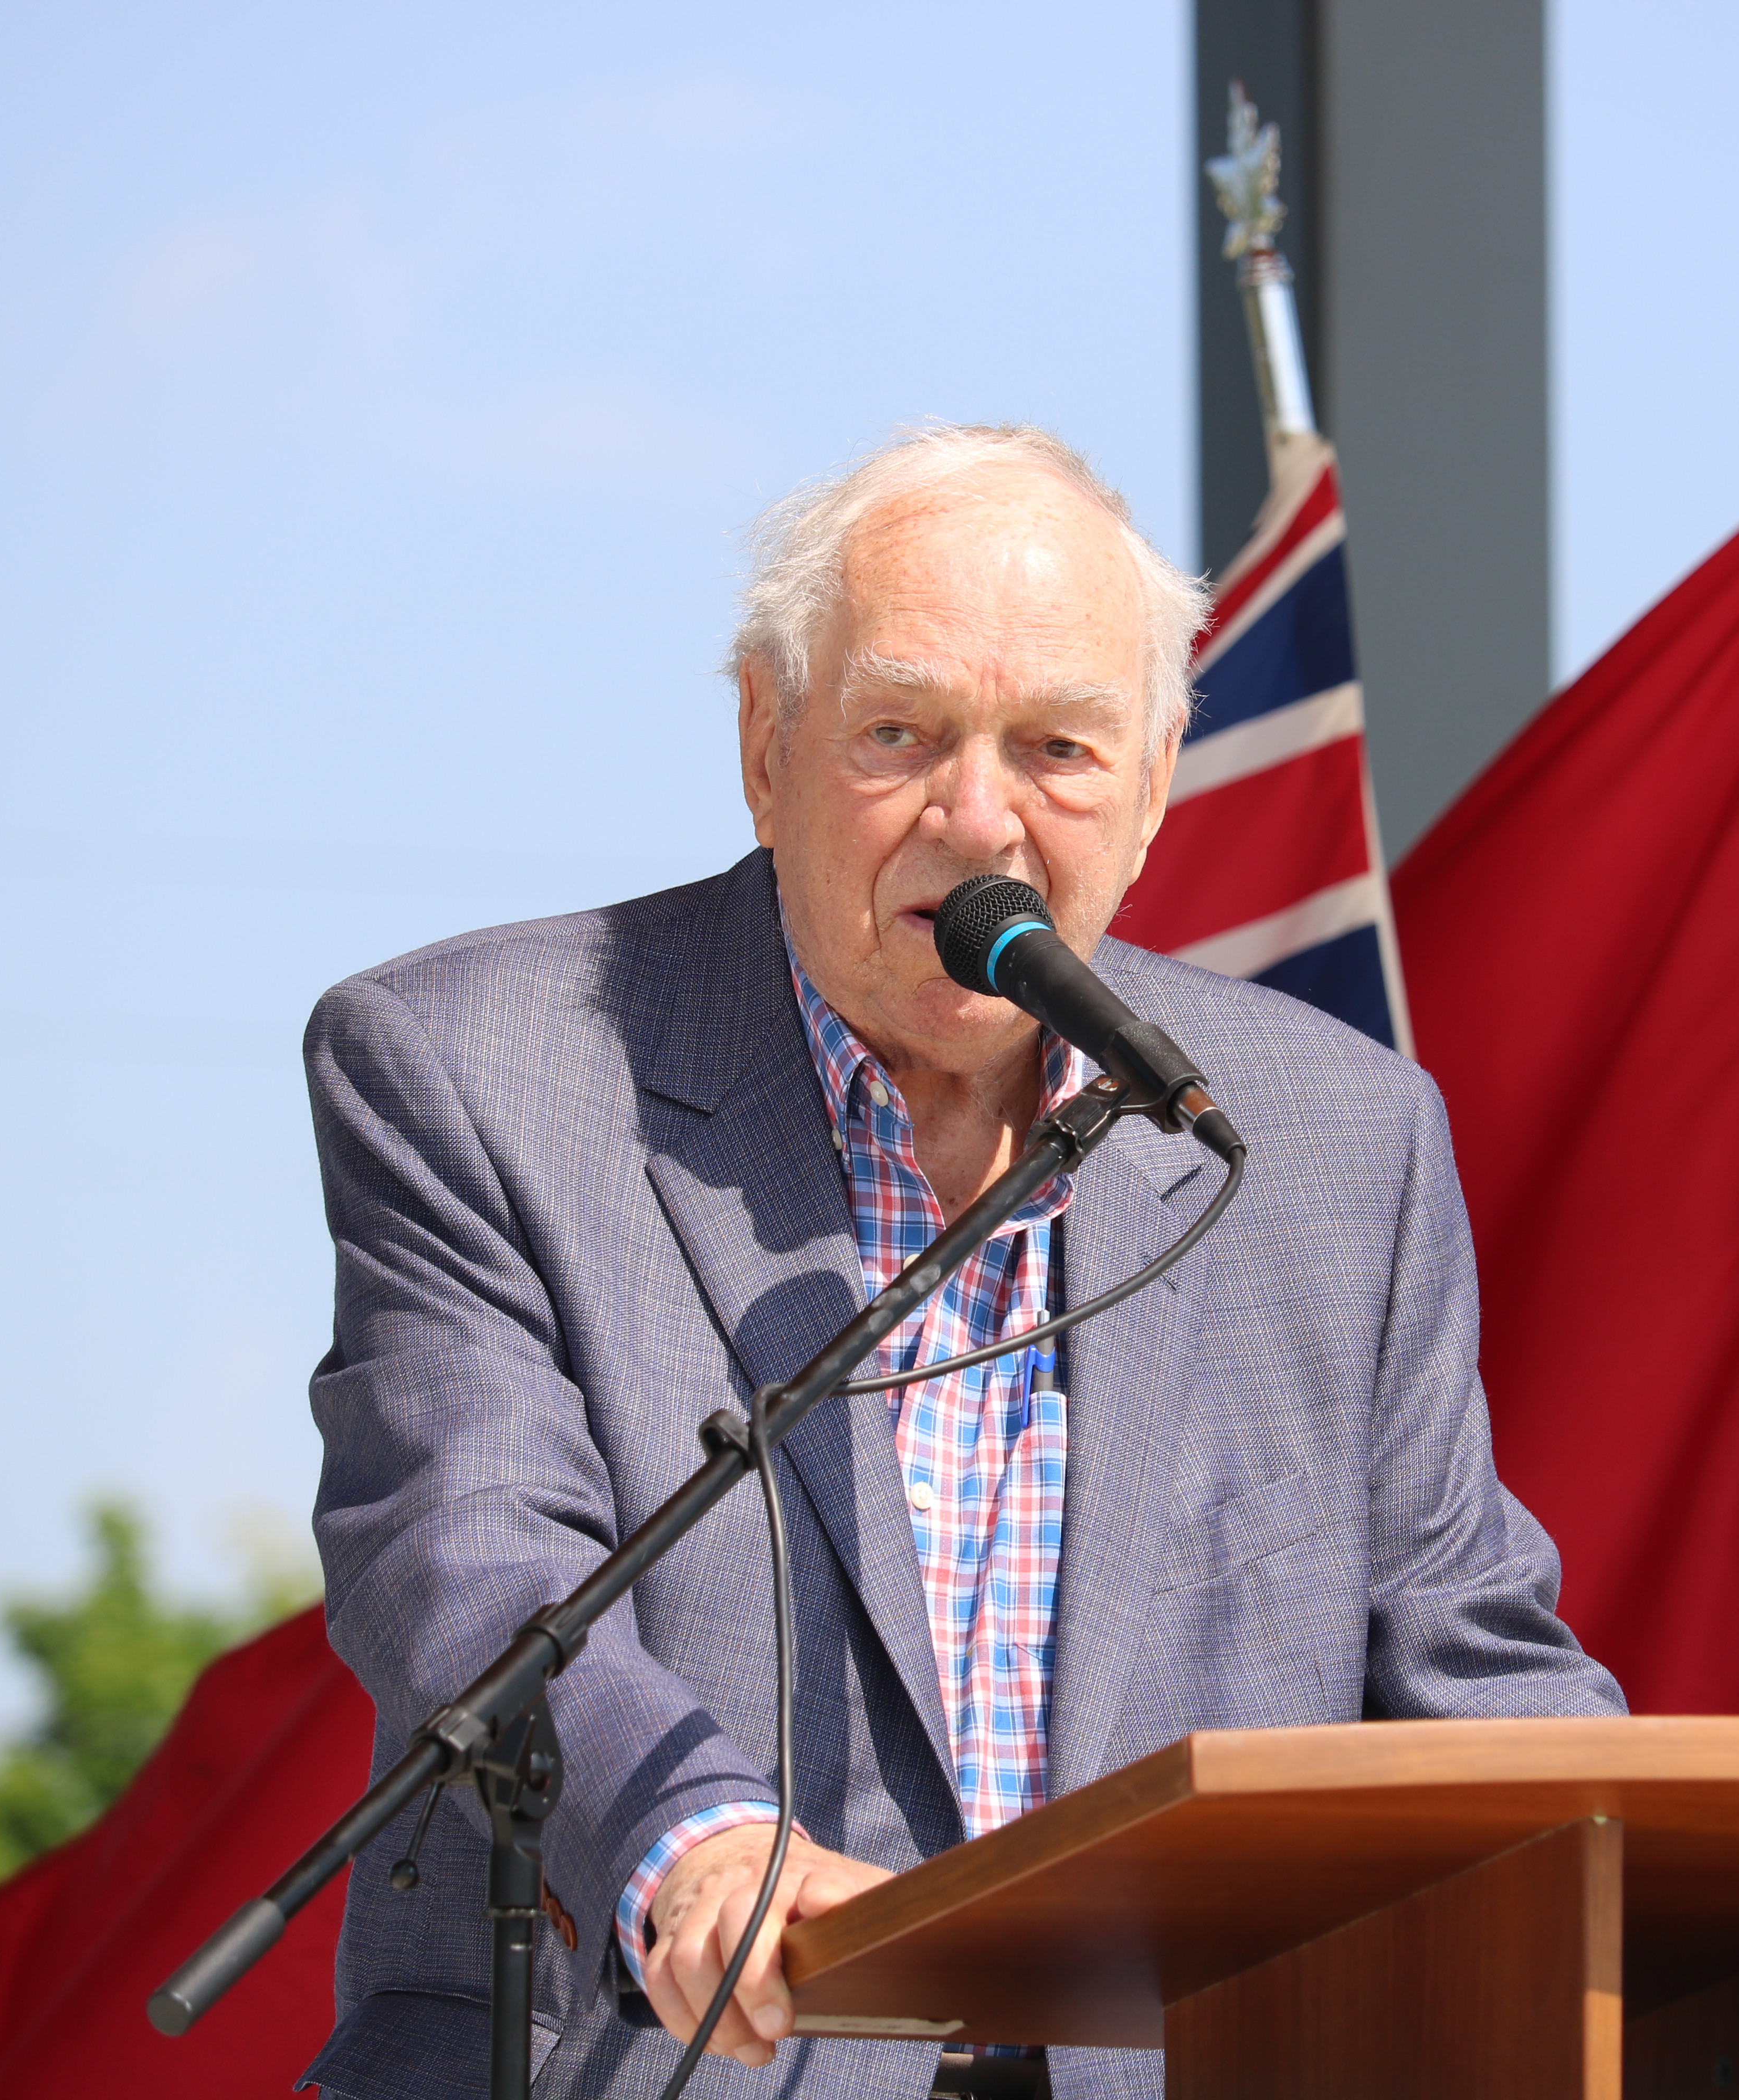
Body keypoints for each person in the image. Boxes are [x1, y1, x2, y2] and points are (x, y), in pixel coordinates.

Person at [299, 425, 1624, 2100]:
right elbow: (471, 1566)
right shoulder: (477, 1067)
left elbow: (1472, 1668)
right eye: (901, 734)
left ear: (1152, 789)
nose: (978, 818)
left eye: (1059, 748)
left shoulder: (1331, 1145)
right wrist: (697, 1844)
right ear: (766, 745)